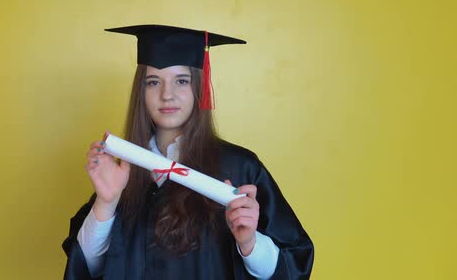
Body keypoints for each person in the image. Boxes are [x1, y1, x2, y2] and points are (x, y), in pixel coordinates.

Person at [62, 25, 314, 280]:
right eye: (153, 82)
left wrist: (249, 242)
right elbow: (86, 267)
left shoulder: (240, 168)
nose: (167, 95)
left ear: (199, 88)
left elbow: (292, 264)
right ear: (141, 92)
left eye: (181, 80)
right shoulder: (123, 173)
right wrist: (107, 202)